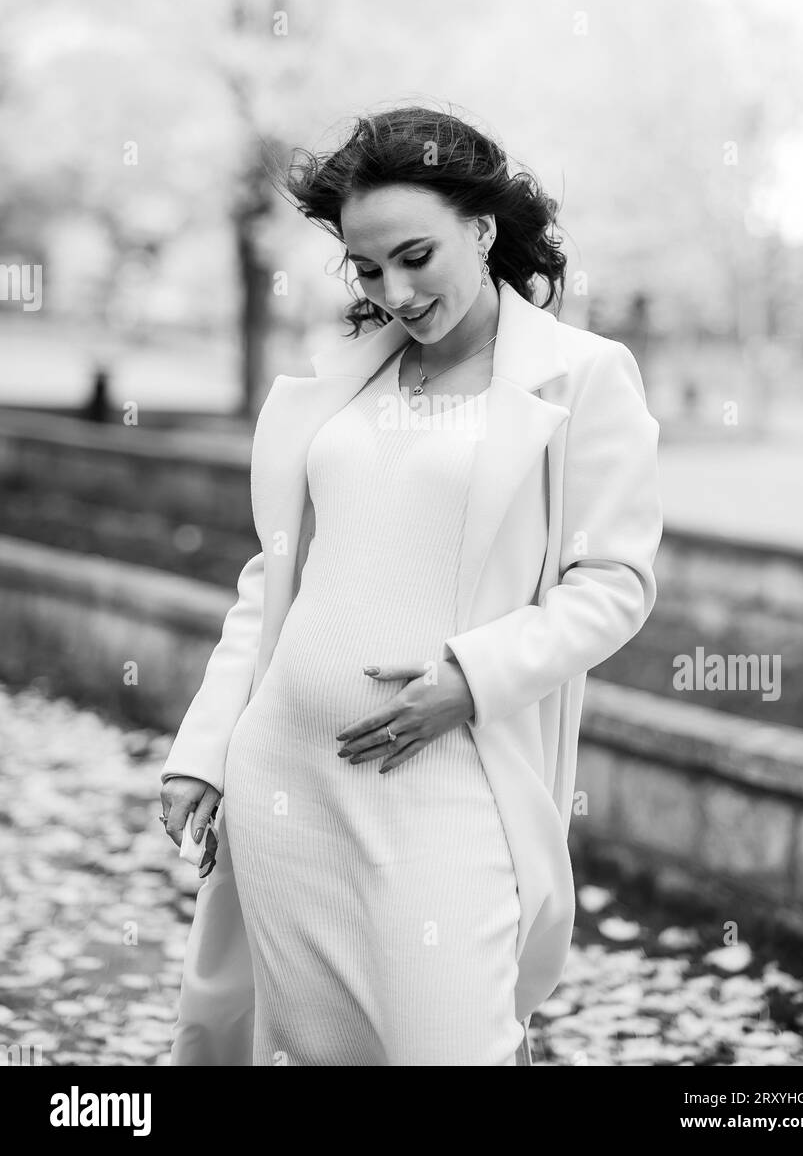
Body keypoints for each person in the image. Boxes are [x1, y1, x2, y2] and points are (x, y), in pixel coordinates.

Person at [159, 105, 663, 1067]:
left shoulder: (584, 377)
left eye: (417, 255)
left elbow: (613, 583)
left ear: (482, 228)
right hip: (284, 785)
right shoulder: (345, 381)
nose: (393, 289)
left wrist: (470, 680)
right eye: (367, 267)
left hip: (445, 784)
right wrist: (206, 748)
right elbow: (276, 577)